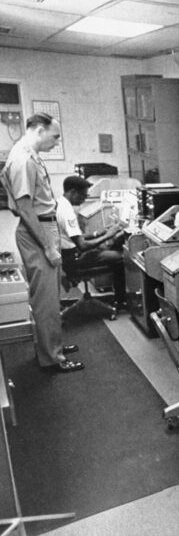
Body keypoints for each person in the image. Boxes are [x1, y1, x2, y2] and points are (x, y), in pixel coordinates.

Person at [0, 113, 83, 372]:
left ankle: (51, 346)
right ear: (38, 130)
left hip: (43, 227)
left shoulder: (28, 154)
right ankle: (52, 358)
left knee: (49, 297)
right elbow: (24, 207)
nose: (57, 141)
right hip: (38, 232)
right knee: (45, 301)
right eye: (55, 136)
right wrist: (47, 245)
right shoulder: (23, 159)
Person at [57, 176, 127, 308]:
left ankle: (118, 297)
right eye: (83, 195)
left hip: (66, 255)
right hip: (74, 260)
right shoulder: (67, 213)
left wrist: (97, 234)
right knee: (122, 257)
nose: (84, 200)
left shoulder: (60, 204)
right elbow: (83, 245)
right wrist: (108, 235)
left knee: (103, 248)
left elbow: (74, 236)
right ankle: (121, 301)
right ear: (73, 192)